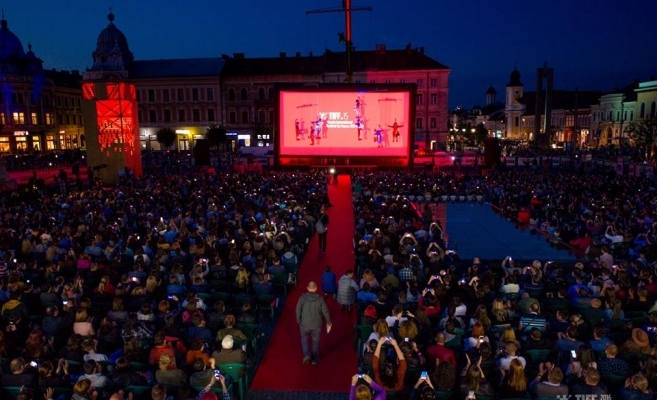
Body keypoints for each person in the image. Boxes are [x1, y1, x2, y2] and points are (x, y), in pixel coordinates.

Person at [296, 281, 332, 365]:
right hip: (316, 325)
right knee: (315, 341)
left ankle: (306, 355)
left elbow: (298, 309)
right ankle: (315, 359)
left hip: (304, 324)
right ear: (316, 288)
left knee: (304, 339)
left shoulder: (302, 298)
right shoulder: (320, 299)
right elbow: (325, 311)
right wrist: (328, 321)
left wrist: (299, 321)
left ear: (307, 288)